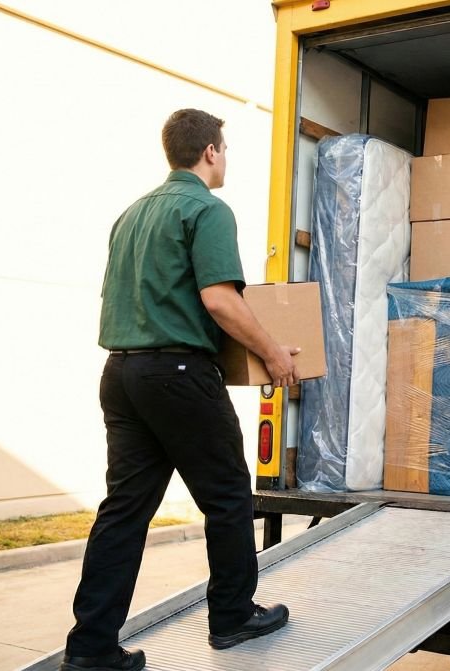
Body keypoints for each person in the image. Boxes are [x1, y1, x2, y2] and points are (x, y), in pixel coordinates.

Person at [62, 109, 296, 671]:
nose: (226, 158)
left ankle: (90, 647)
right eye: (225, 149)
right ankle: (233, 616)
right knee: (228, 495)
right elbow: (219, 300)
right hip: (178, 375)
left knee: (123, 511)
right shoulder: (206, 209)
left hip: (121, 375)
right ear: (210, 151)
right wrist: (272, 352)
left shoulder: (131, 214)